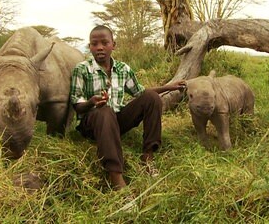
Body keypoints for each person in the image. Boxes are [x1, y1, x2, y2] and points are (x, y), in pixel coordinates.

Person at [69, 25, 185, 190]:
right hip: (92, 124)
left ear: (113, 45)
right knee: (104, 111)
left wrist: (168, 87)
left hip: (116, 122)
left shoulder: (123, 69)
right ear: (90, 47)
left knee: (151, 98)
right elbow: (77, 106)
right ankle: (117, 178)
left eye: (104, 43)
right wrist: (92, 102)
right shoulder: (82, 70)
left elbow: (141, 92)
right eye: (94, 44)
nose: (100, 47)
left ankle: (148, 157)